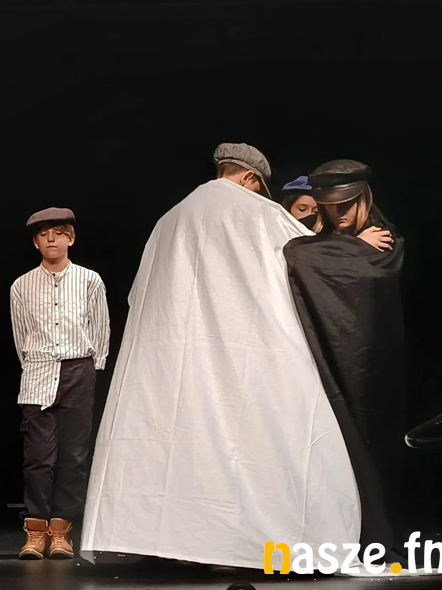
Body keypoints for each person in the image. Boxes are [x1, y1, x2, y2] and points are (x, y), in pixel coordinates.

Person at [80, 143, 361, 570]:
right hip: (239, 347)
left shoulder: (169, 219)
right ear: (250, 178)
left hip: (171, 354)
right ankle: (239, 543)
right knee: (244, 440)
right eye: (259, 187)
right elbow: (311, 258)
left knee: (176, 443)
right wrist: (355, 246)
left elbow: (139, 292)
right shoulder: (260, 214)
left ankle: (172, 542)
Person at [284, 160, 406, 564]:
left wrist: (351, 251)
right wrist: (352, 246)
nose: (339, 213)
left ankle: (376, 538)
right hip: (324, 362)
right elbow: (296, 253)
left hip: (369, 365)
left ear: (364, 198)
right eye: (330, 205)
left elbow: (359, 270)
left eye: (347, 204)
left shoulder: (383, 237)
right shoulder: (326, 241)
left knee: (370, 447)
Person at [10, 208, 110, 560]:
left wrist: (93, 367)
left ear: (71, 237)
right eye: (43, 234)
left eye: (58, 232)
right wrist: (34, 366)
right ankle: (36, 531)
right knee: (38, 458)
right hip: (38, 371)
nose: (51, 238)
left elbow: (100, 328)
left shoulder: (89, 280)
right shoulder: (21, 285)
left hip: (78, 369)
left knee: (74, 457)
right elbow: (20, 334)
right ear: (35, 242)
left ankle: (62, 531)